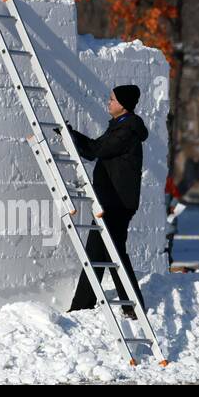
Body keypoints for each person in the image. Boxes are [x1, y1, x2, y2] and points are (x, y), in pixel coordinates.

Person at [67, 84, 148, 317]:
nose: (108, 102)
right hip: (111, 200)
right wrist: (72, 136)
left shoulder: (127, 130)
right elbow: (97, 148)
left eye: (112, 99)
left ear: (123, 104)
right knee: (98, 251)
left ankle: (132, 305)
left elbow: (96, 150)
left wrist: (70, 134)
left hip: (117, 203)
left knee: (113, 253)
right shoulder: (120, 126)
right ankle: (86, 304)